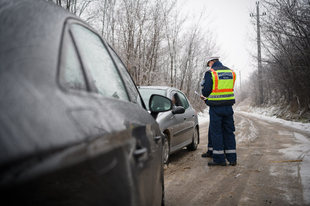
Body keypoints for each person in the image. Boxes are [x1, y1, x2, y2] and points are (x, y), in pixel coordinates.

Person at [200, 56, 237, 166]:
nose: (209, 66)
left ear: (211, 62)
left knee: (216, 132)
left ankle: (219, 159)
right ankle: (232, 159)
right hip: (228, 107)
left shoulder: (211, 73)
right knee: (229, 132)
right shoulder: (231, 72)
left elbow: (206, 91)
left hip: (216, 107)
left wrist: (205, 97)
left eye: (209, 64)